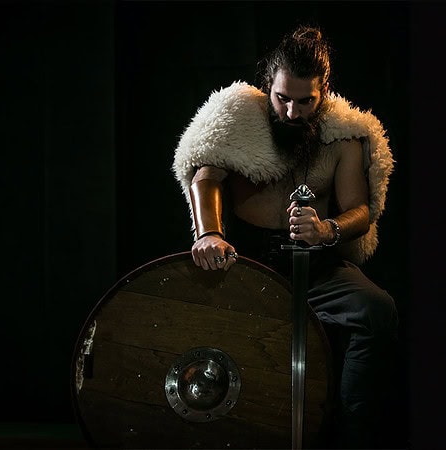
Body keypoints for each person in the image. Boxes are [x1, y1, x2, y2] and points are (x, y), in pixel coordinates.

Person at [172, 25, 398, 449]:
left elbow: (361, 211)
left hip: (317, 265)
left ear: (324, 90)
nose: (293, 112)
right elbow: (205, 173)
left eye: (306, 101)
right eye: (283, 99)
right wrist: (211, 235)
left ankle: (353, 432)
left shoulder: (344, 136)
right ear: (268, 85)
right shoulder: (238, 117)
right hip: (249, 262)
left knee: (376, 309)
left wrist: (326, 228)